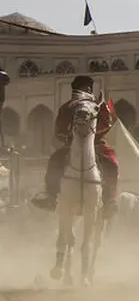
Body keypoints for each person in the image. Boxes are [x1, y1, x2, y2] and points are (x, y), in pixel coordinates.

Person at [32, 75, 119, 214]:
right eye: (85, 88)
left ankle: (109, 199)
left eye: (89, 88)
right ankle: (51, 195)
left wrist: (92, 133)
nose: (88, 91)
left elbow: (108, 122)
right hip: (72, 144)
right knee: (55, 159)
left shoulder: (98, 106)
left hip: (95, 143)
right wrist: (71, 136)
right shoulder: (67, 108)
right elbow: (59, 130)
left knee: (111, 161)